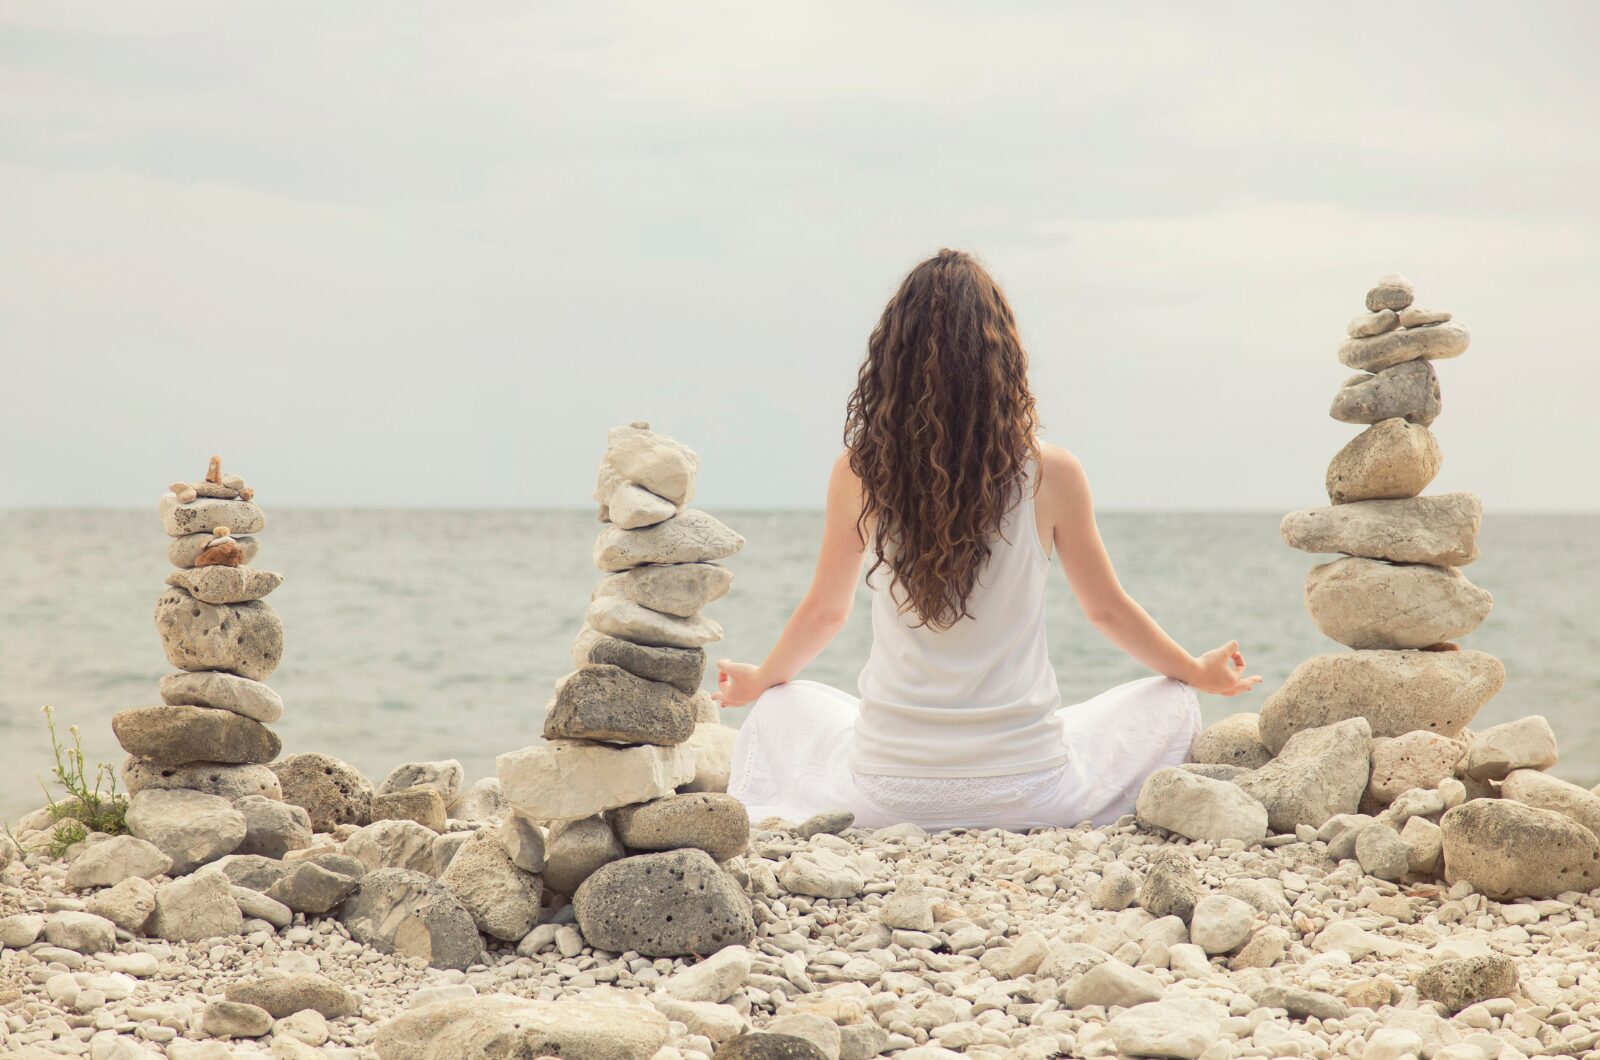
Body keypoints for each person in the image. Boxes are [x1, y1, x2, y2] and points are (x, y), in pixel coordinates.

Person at [717, 249, 1261, 831]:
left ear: (891, 363)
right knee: (1173, 700)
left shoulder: (859, 473)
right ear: (1002, 359)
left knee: (781, 703)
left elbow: (825, 613)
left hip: (887, 793)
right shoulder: (1052, 473)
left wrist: (758, 679)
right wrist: (1194, 671)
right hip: (1029, 789)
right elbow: (1107, 611)